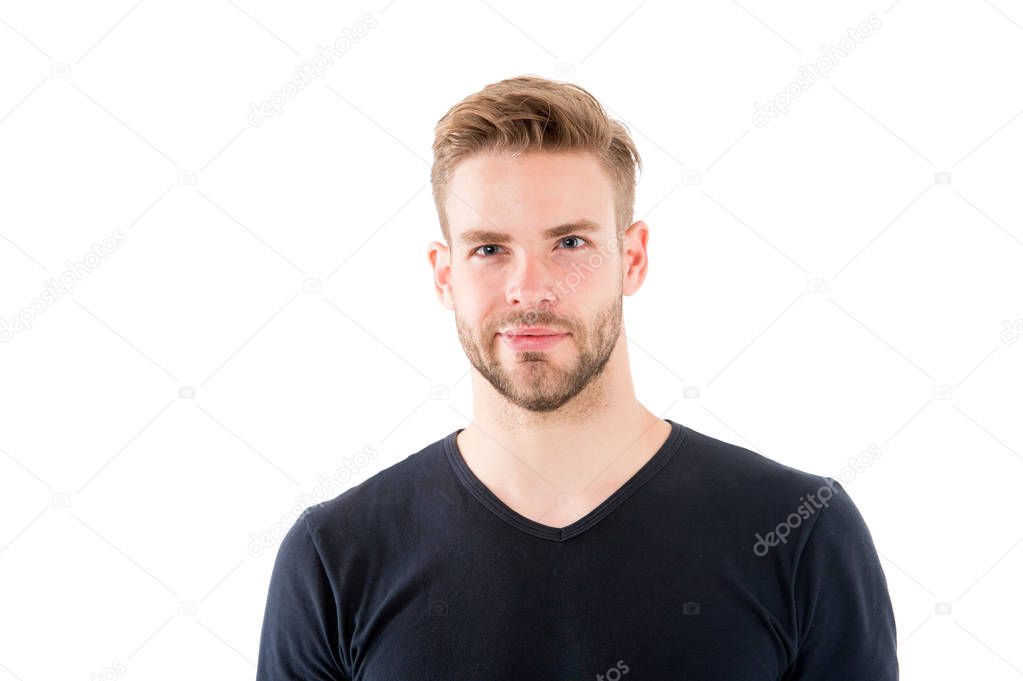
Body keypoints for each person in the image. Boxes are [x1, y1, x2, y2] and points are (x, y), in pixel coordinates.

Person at [255, 74, 899, 680]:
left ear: (633, 258)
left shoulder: (799, 532)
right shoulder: (335, 558)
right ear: (444, 273)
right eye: (488, 248)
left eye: (570, 243)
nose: (529, 288)